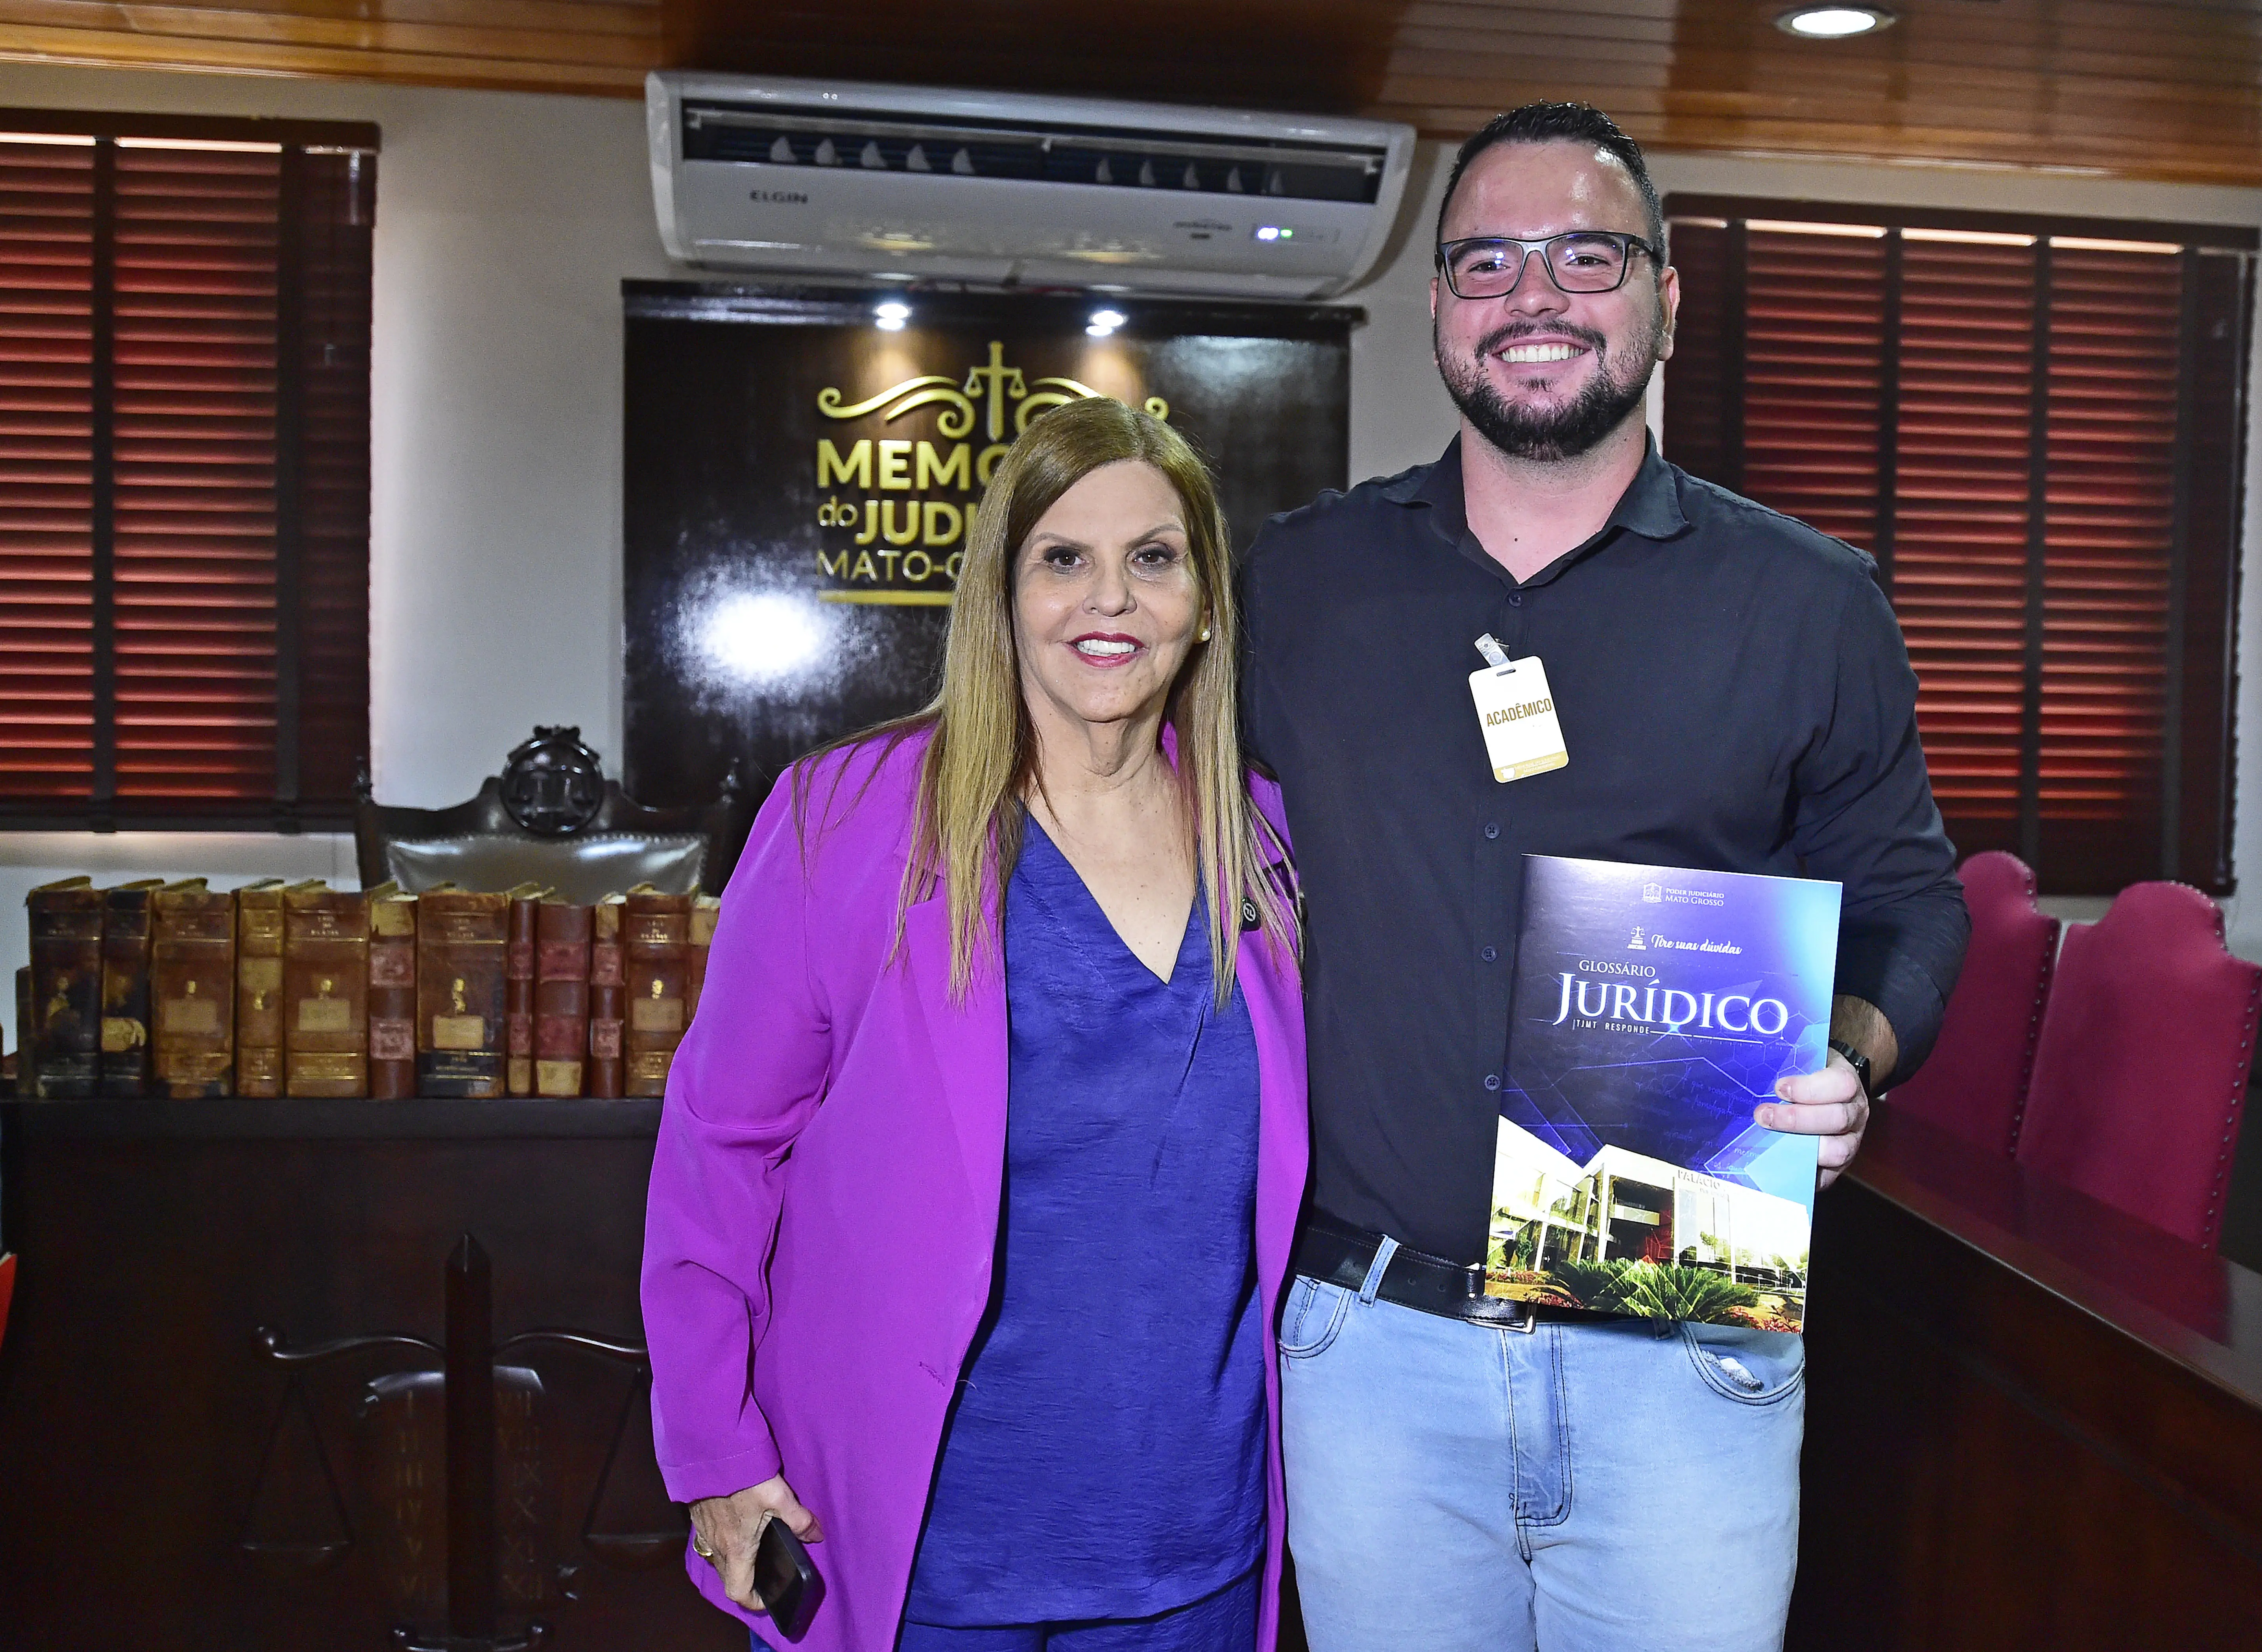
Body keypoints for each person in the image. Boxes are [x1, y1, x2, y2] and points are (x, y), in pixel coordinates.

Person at [1240, 103, 1969, 1652]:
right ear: (1437, 306)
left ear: (1664, 297)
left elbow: (1915, 906)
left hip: (1682, 1343)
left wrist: (1853, 1051)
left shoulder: (1809, 604)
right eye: (1487, 263)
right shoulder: (1298, 587)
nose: (1535, 299)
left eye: (1587, 255)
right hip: (1370, 1354)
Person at [642, 396, 1307, 1652]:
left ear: (1206, 601)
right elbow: (718, 1150)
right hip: (924, 1548)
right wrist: (713, 1453)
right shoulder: (841, 821)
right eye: (1062, 559)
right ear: (1001, 596)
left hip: (1194, 1552)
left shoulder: (1264, 840)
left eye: (1152, 559)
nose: (1107, 599)